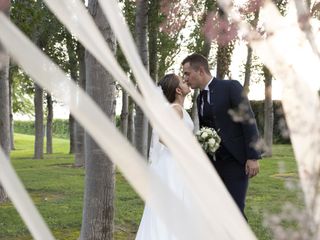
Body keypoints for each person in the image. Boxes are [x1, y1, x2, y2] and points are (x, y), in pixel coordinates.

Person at [182, 53, 261, 218]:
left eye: (187, 73)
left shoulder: (230, 87)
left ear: (201, 71)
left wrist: (253, 157)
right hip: (214, 164)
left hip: (235, 161)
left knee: (235, 212)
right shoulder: (200, 99)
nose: (185, 78)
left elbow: (248, 120)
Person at [135, 73, 193, 240]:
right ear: (178, 90)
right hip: (173, 164)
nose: (186, 81)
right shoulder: (175, 109)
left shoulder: (177, 109)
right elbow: (163, 137)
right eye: (183, 81)